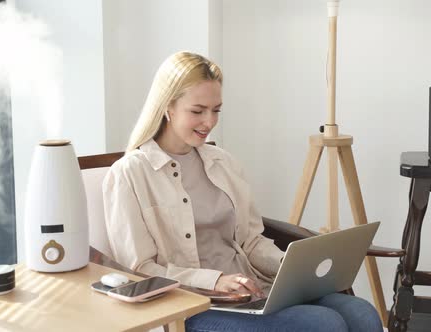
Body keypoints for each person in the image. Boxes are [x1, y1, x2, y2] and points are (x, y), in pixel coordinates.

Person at [103, 51, 382, 332]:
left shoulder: (223, 162)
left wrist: (290, 267)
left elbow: (250, 241)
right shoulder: (130, 173)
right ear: (167, 107)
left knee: (361, 313)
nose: (209, 122)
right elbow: (139, 269)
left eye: (216, 110)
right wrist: (215, 280)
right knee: (323, 324)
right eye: (197, 111)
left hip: (252, 289)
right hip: (195, 304)